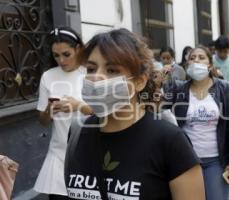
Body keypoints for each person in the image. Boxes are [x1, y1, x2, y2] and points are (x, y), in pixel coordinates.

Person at [64, 28, 205, 200]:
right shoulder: (77, 132)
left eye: (112, 70)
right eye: (91, 69)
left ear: (139, 82)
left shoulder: (170, 141)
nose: (96, 78)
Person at [166, 45, 229, 200]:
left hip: (215, 161)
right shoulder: (178, 89)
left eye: (201, 57)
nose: (196, 61)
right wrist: (157, 81)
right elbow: (156, 109)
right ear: (187, 65)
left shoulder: (224, 88)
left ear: (210, 64)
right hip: (186, 161)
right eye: (192, 58)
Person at [34, 27, 93, 200]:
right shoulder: (48, 76)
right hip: (59, 155)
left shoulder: (92, 73)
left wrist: (78, 106)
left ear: (78, 49)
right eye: (56, 55)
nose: (61, 60)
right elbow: (43, 122)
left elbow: (107, 113)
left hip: (91, 153)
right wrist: (49, 110)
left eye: (66, 54)